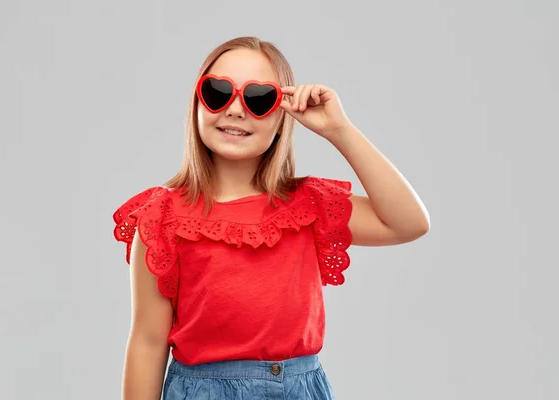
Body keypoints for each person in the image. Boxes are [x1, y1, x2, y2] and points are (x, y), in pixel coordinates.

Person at [112, 36, 430, 400]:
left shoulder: (308, 206)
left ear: (283, 118)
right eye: (218, 92)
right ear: (197, 105)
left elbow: (408, 222)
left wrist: (339, 130)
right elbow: (148, 343)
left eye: (258, 99)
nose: (234, 110)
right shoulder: (164, 217)